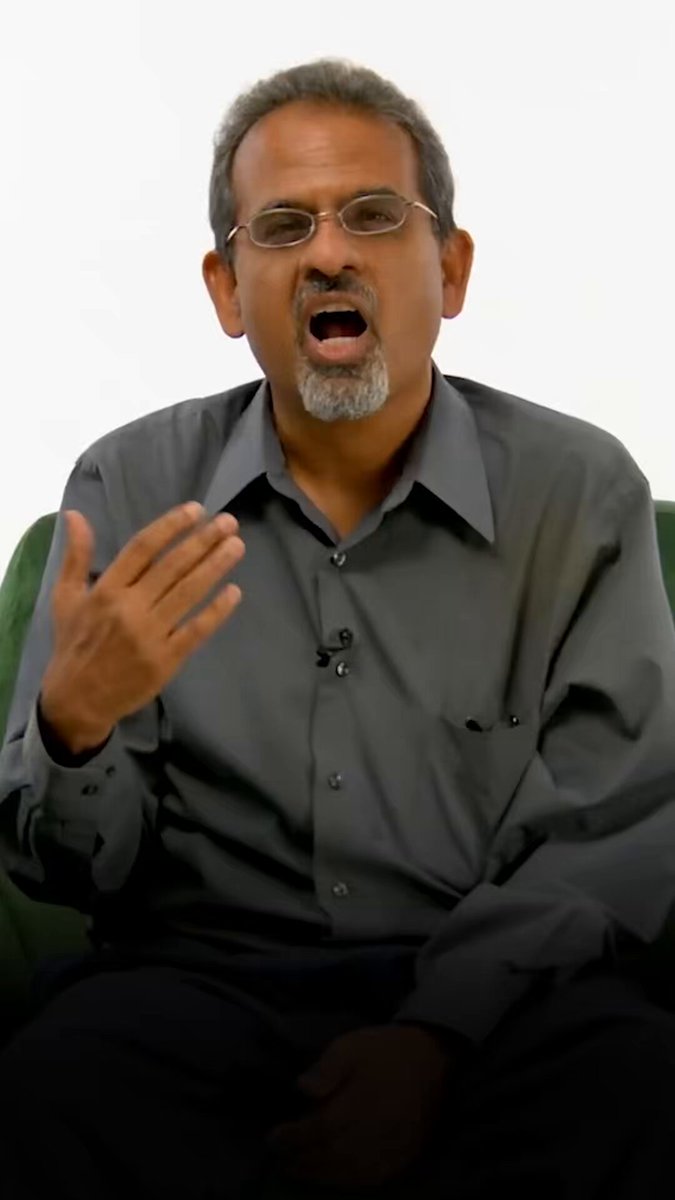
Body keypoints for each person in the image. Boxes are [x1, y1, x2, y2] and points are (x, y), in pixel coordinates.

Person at [1, 56, 675, 1200]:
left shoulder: (579, 495)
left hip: (499, 1007)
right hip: (198, 992)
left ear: (449, 270)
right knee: (50, 1088)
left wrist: (436, 1035)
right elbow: (74, 872)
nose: (328, 253)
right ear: (227, 290)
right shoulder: (129, 487)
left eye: (372, 214)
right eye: (282, 226)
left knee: (641, 1083)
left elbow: (610, 832)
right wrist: (74, 730)